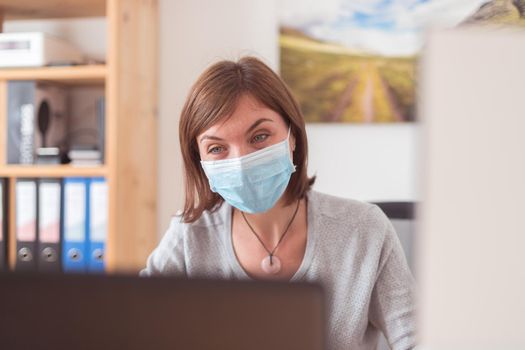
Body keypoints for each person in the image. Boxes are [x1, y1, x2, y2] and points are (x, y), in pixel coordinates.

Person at [140, 56, 417, 350]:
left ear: (292, 137)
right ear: (199, 160)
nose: (241, 162)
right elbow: (134, 327)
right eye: (217, 148)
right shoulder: (189, 235)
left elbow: (417, 338)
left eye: (259, 136)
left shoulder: (364, 229)